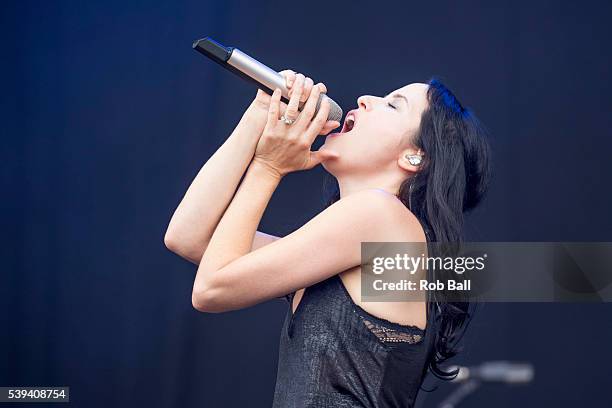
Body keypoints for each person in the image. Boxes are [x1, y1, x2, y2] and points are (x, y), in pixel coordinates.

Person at [164, 70, 491, 407]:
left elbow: (211, 288)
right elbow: (189, 237)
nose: (365, 99)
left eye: (393, 106)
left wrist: (269, 166)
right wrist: (259, 116)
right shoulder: (357, 243)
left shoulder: (381, 215)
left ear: (414, 157)